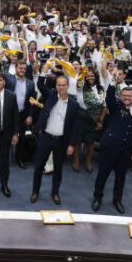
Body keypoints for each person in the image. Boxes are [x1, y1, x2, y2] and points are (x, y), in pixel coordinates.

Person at [91, 84, 132, 214]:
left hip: (125, 150)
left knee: (121, 177)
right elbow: (109, 97)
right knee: (102, 175)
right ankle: (97, 197)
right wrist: (112, 84)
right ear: (120, 97)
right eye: (124, 95)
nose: (127, 98)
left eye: (129, 96)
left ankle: (117, 199)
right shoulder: (116, 106)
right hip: (110, 147)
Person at [30, 67, 78, 205]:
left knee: (58, 169)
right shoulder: (51, 94)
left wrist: (71, 144)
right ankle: (35, 191)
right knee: (39, 166)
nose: (61, 87)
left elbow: (74, 126)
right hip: (46, 137)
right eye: (58, 85)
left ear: (68, 86)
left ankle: (55, 192)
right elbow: (40, 84)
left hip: (61, 141)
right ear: (55, 86)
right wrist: (44, 70)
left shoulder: (74, 105)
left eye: (63, 85)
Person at [5, 61, 36, 169]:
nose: (22, 70)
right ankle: (5, 158)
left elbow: (32, 101)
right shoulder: (9, 80)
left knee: (22, 138)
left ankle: (19, 158)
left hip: (23, 114)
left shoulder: (30, 83)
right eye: (20, 68)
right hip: (9, 114)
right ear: (16, 68)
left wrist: (30, 115)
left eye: (24, 68)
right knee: (7, 136)